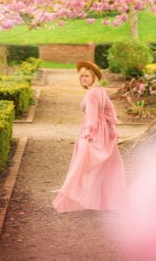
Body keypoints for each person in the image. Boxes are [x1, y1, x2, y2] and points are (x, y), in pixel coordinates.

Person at [52, 61, 128, 213]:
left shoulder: (93, 93)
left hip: (93, 132)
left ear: (94, 77)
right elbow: (110, 108)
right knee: (105, 166)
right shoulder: (100, 90)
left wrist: (89, 132)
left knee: (83, 165)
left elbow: (92, 116)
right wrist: (110, 125)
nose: (83, 79)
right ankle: (103, 200)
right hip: (104, 132)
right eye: (81, 77)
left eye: (86, 76)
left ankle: (75, 194)